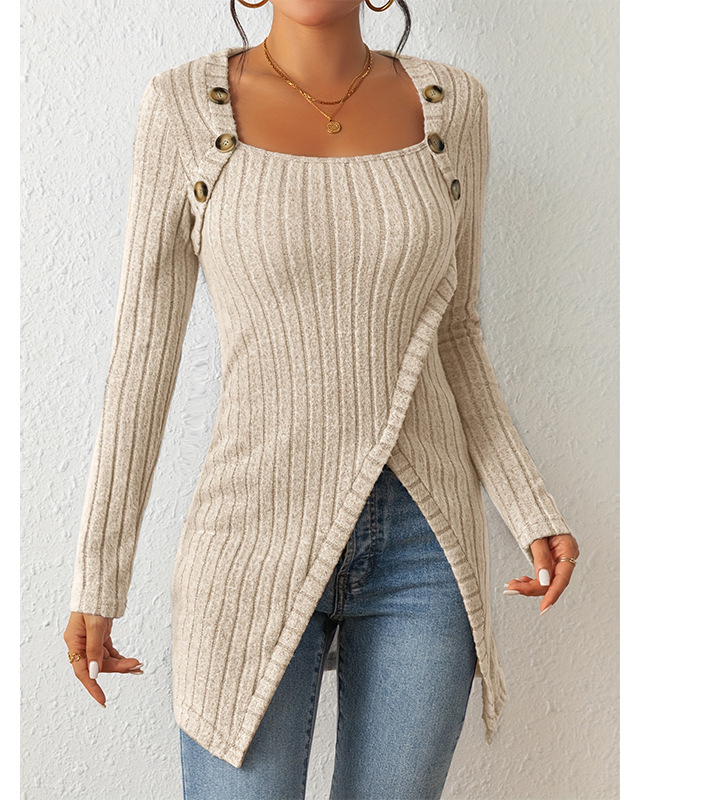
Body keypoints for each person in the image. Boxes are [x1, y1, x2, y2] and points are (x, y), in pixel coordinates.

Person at [62, 1, 581, 798]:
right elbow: (142, 356)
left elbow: (456, 330)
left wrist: (528, 505)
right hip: (249, 535)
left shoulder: (454, 108)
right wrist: (99, 578)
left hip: (424, 544)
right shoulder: (182, 108)